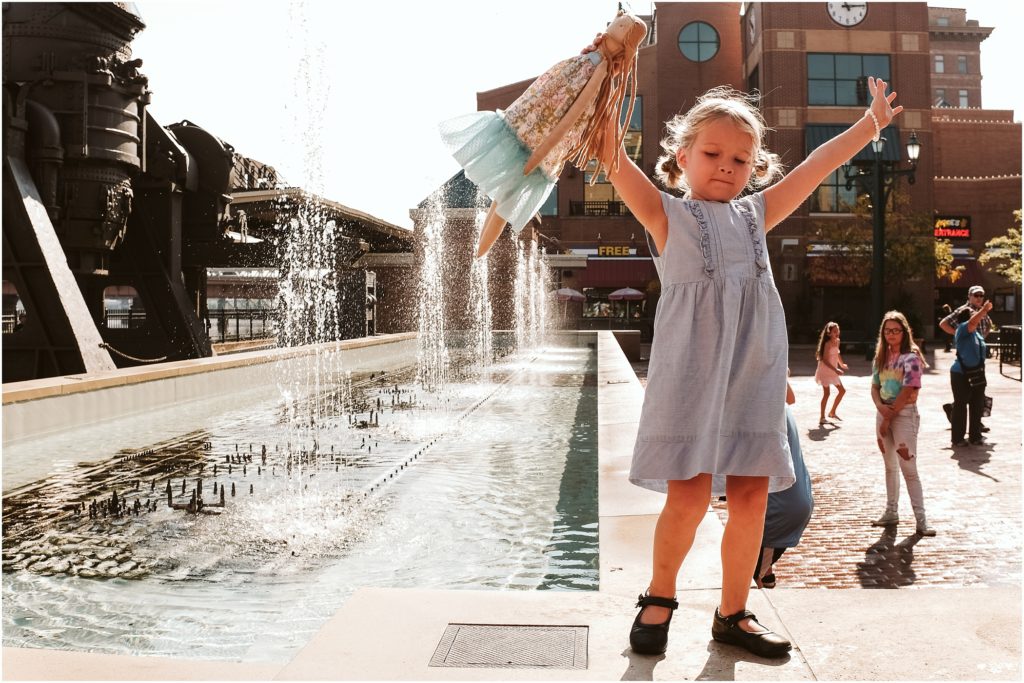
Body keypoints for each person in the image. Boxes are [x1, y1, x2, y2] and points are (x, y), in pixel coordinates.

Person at [592, 59, 904, 658]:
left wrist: (869, 125)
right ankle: (659, 597)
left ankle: (733, 612)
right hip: (690, 375)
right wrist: (603, 84)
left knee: (753, 498)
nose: (726, 168)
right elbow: (613, 159)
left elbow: (817, 166)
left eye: (740, 160)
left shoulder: (757, 214)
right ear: (682, 156)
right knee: (687, 493)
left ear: (755, 167)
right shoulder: (667, 215)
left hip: (752, 372)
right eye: (712, 154)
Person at [870, 311, 935, 536]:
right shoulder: (881, 355)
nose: (891, 334)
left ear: (904, 332)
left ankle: (921, 519)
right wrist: (880, 408)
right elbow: (875, 386)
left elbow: (909, 389)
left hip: (903, 414)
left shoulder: (911, 356)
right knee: (889, 466)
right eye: (887, 330)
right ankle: (891, 511)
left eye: (896, 330)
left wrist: (887, 418)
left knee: (909, 468)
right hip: (884, 412)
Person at [755, 379, 814, 589]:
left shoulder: (764, 413)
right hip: (789, 505)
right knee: (753, 571)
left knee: (754, 577)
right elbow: (790, 396)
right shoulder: (780, 407)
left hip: (779, 513)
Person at [950, 301, 992, 446]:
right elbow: (973, 321)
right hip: (960, 373)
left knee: (977, 404)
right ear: (966, 318)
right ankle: (958, 439)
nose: (976, 315)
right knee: (961, 405)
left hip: (977, 373)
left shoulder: (976, 334)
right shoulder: (962, 329)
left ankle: (975, 436)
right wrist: (984, 310)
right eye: (972, 313)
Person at [813, 321, 848, 425]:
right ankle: (822, 417)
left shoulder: (837, 341)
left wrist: (841, 364)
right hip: (825, 370)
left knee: (842, 391)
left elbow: (837, 354)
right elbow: (824, 360)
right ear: (829, 333)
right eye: (834, 331)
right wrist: (836, 369)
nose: (837, 333)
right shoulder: (827, 344)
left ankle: (832, 412)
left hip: (833, 371)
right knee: (826, 394)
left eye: (838, 331)